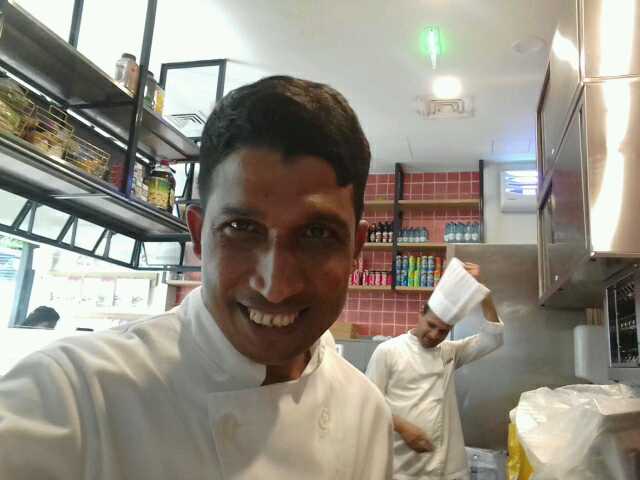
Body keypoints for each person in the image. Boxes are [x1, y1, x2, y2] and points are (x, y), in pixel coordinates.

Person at [0, 76, 393, 479]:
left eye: (317, 234)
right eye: (241, 228)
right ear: (198, 235)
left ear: (355, 249)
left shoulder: (366, 413)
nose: (276, 287)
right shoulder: (69, 398)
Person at [366, 258, 504, 480]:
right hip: (402, 467)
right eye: (431, 325)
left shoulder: (448, 352)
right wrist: (403, 427)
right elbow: (369, 404)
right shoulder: (388, 351)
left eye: (443, 331)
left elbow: (492, 339)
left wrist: (483, 293)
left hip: (447, 467)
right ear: (420, 315)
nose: (434, 335)